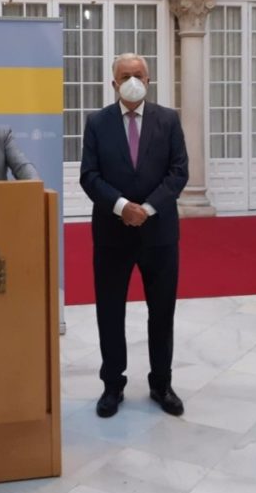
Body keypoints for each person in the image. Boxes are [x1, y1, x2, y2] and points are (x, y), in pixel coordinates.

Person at [80, 53, 189, 418]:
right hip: (112, 233)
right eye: (125, 75)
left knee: (162, 312)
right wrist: (121, 205)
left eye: (138, 75)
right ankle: (113, 384)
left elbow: (178, 171)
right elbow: (89, 175)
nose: (132, 81)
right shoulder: (97, 123)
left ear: (149, 80)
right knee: (110, 312)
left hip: (159, 234)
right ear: (113, 83)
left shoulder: (168, 120)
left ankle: (162, 383)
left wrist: (148, 208)